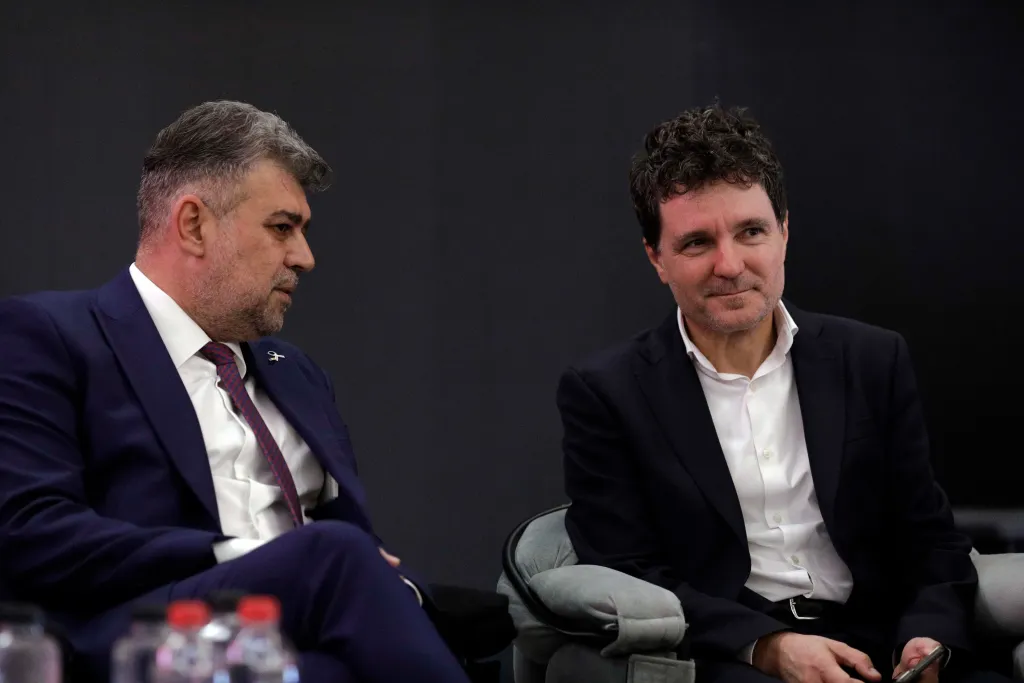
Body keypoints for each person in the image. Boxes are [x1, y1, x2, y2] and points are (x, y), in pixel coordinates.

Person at [0, 101, 471, 683]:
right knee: (332, 554)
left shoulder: (296, 373)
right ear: (194, 225)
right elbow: (32, 531)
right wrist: (242, 553)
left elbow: (360, 544)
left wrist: (398, 591)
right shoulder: (50, 337)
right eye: (282, 228)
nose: (305, 258)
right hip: (148, 628)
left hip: (303, 625)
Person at [558, 104, 1010, 683]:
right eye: (696, 243)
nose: (730, 265)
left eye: (751, 232)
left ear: (784, 233)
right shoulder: (606, 392)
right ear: (657, 259)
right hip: (734, 654)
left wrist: (931, 634)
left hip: (883, 644)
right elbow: (626, 569)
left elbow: (931, 537)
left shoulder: (872, 359)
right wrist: (769, 646)